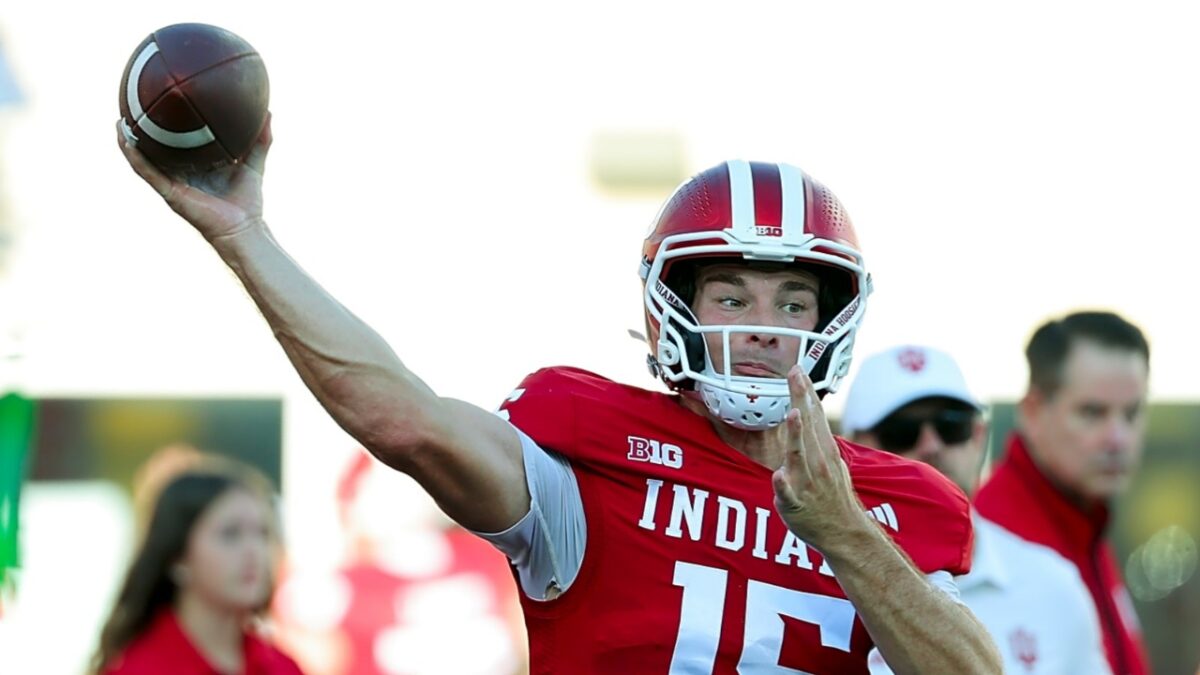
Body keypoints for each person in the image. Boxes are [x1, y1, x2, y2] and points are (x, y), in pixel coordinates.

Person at [116, 119, 1001, 673]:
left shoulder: (897, 504)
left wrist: (844, 530)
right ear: (671, 314)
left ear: (833, 318)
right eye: (731, 296)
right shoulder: (591, 446)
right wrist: (247, 237)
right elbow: (406, 422)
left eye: (793, 301)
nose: (764, 328)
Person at [841, 344, 1111, 674]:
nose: (931, 445)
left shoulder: (1053, 586)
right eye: (901, 431)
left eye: (952, 426)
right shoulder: (804, 577)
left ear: (979, 437)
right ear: (849, 451)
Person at [974, 311, 1152, 675]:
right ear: (1033, 413)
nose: (1118, 438)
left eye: (1131, 414)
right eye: (1092, 412)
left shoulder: (1085, 522)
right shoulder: (990, 546)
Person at [91, 456, 302, 675]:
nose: (254, 551)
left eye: (262, 533)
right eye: (231, 533)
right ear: (178, 556)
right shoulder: (141, 668)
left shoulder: (281, 666)